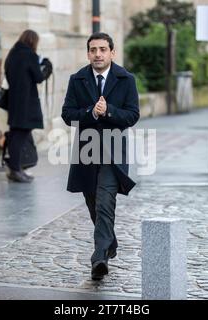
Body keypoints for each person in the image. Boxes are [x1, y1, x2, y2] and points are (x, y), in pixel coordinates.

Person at [61, 32, 140, 280]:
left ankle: (99, 259)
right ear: (88, 53)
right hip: (87, 150)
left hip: (113, 152)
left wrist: (108, 112)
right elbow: (67, 114)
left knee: (106, 201)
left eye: (103, 49)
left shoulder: (126, 79)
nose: (98, 54)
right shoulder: (78, 79)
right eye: (93, 50)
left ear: (112, 52)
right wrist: (91, 113)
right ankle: (108, 242)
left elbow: (132, 115)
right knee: (93, 202)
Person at [4, 29, 53, 182]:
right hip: (26, 102)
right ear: (33, 41)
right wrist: (46, 66)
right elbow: (39, 77)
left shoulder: (12, 54)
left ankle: (15, 168)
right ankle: (15, 169)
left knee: (15, 134)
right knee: (20, 135)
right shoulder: (30, 55)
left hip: (13, 100)